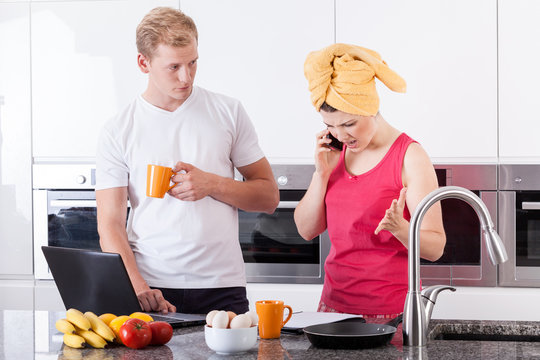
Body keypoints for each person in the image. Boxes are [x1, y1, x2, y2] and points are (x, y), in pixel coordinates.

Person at [95, 7, 279, 315]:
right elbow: (110, 225)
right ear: (144, 63)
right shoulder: (118, 129)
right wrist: (138, 287)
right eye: (174, 67)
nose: (186, 77)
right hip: (150, 286)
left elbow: (269, 197)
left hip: (223, 286)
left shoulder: (228, 111)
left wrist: (213, 184)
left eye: (193, 63)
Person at [294, 44, 446, 323]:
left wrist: (401, 229)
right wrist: (321, 174)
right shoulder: (333, 153)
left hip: (393, 314)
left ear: (370, 107)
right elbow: (306, 230)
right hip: (332, 310)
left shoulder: (409, 156)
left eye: (349, 123)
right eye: (330, 124)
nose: (340, 134)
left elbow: (436, 247)